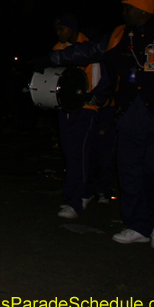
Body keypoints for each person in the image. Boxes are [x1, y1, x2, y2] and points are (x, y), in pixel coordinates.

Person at [47, 0, 154, 250]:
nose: (123, 12)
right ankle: (137, 226)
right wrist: (55, 57)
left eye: (127, 7)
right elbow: (89, 50)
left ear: (142, 9)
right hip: (130, 116)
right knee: (129, 172)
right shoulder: (119, 35)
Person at [51, 15, 112, 218]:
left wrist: (98, 96)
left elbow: (107, 75)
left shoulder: (91, 46)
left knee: (80, 153)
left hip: (86, 107)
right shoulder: (59, 47)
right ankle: (83, 193)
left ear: (73, 28)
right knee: (71, 152)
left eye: (62, 29)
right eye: (57, 29)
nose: (59, 33)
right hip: (65, 107)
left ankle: (74, 202)